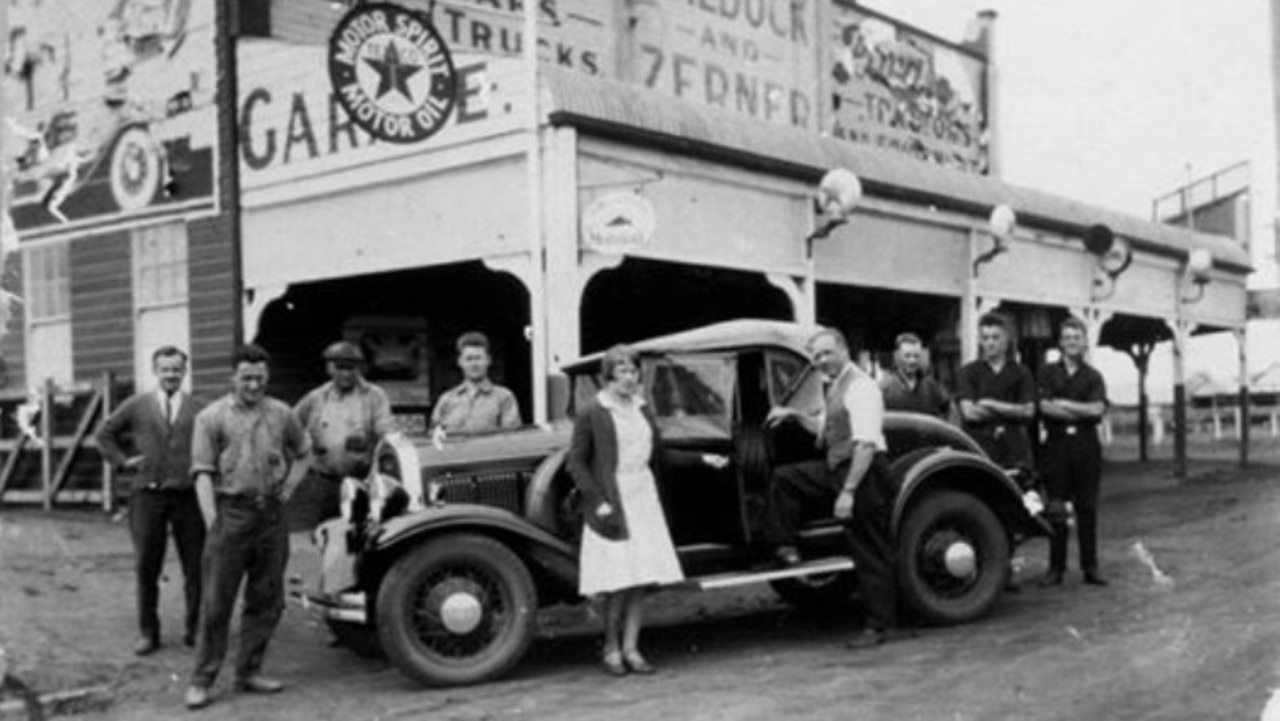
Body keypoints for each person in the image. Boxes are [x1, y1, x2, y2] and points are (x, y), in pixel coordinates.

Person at [185, 344, 309, 711]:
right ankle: (201, 680)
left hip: (270, 516)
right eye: (246, 378)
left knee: (267, 599)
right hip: (231, 515)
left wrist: (289, 486)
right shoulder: (211, 417)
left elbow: (304, 451)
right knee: (216, 603)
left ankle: (249, 671)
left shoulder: (282, 413)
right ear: (233, 378)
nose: (254, 385)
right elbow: (202, 474)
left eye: (260, 378)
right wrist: (213, 523)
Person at [763, 328, 905, 649]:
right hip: (838, 466)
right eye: (816, 356)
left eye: (827, 353)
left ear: (843, 349)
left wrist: (849, 492)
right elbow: (824, 427)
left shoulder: (861, 387)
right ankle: (785, 547)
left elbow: (866, 445)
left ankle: (880, 625)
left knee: (868, 549)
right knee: (787, 478)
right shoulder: (835, 385)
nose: (822, 361)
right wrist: (794, 415)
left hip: (864, 473)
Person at [568, 344, 683, 676]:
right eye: (622, 372)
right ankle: (611, 648)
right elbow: (575, 462)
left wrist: (703, 459)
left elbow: (659, 455)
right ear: (608, 376)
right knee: (618, 581)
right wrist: (598, 500)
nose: (629, 379)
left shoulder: (643, 409)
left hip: (643, 498)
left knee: (639, 580)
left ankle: (632, 648)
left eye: (633, 372)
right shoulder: (593, 411)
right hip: (612, 502)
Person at [96, 345, 205, 656]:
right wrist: (122, 461)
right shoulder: (137, 405)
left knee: (196, 566)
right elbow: (103, 434)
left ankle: (195, 629)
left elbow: (218, 441)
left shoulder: (199, 408)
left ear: (184, 371)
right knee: (147, 565)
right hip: (147, 495)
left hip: (188, 496)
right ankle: (148, 632)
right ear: (155, 371)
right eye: (165, 369)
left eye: (176, 369)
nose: (171, 375)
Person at [1036, 317, 1109, 587]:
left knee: (1087, 507)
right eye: (1067, 338)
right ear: (1060, 342)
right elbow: (1044, 407)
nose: (1071, 342)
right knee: (1057, 507)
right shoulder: (1047, 372)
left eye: (1076, 337)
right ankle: (1056, 568)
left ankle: (1090, 567)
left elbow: (1098, 410)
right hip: (1056, 446)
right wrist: (1080, 409)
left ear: (1084, 342)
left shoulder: (1093, 376)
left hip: (1086, 446)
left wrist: (1064, 403)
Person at [291, 341, 394, 530]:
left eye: (351, 368)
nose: (346, 373)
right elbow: (290, 426)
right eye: (340, 368)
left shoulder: (374, 397)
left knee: (361, 537)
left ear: (359, 368)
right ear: (329, 368)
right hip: (323, 483)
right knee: (325, 536)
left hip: (360, 482)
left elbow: (387, 435)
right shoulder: (316, 397)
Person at [955, 313, 1036, 468]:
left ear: (1006, 340)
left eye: (995, 337)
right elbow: (970, 413)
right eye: (985, 338)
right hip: (980, 448)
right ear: (980, 340)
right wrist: (1012, 410)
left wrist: (991, 404)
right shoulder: (967, 372)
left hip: (1014, 450)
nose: (990, 343)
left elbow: (1028, 411)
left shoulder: (1021, 373)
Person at [430, 331, 522, 437]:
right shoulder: (446, 400)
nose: (474, 364)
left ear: (488, 360)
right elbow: (435, 439)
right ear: (460, 362)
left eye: (478, 358)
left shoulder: (504, 397)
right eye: (469, 359)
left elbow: (511, 438)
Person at [880, 332, 951, 418]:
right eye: (907, 356)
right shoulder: (885, 387)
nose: (912, 361)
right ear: (897, 356)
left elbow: (948, 411)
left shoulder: (930, 386)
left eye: (916, 356)